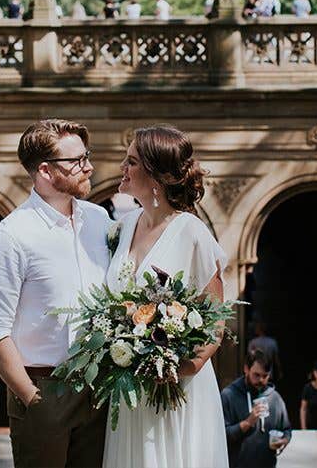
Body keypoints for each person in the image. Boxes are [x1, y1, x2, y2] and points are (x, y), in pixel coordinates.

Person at [0, 119, 112, 467]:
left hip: (102, 387)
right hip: (44, 388)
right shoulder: (11, 237)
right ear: (46, 171)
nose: (89, 166)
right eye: (77, 161)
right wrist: (33, 399)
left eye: (87, 156)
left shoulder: (100, 221)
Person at [104, 125, 229, 467]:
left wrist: (180, 368)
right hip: (130, 391)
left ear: (155, 177)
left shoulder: (192, 233)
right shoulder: (124, 226)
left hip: (176, 392)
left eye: (130, 161)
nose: (122, 167)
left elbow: (215, 323)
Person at [221, 349, 291, 467]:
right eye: (256, 375)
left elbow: (286, 429)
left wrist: (284, 440)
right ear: (246, 369)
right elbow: (222, 436)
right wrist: (248, 422)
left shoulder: (274, 397)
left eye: (265, 376)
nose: (261, 380)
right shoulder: (229, 395)